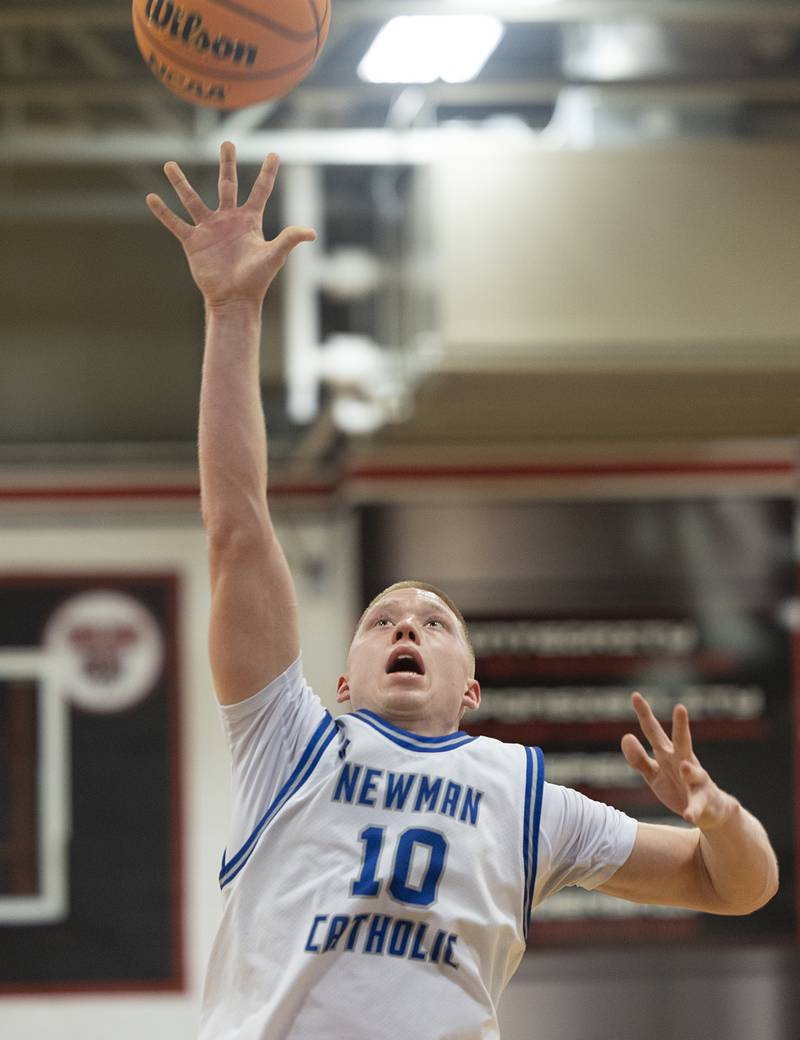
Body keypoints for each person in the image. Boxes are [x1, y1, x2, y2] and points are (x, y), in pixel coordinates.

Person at [147, 143, 779, 1040]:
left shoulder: (523, 795)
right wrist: (233, 310)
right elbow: (239, 527)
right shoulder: (288, 743)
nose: (407, 625)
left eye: (435, 623)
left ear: (471, 689)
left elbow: (739, 887)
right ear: (343, 679)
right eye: (382, 619)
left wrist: (719, 816)